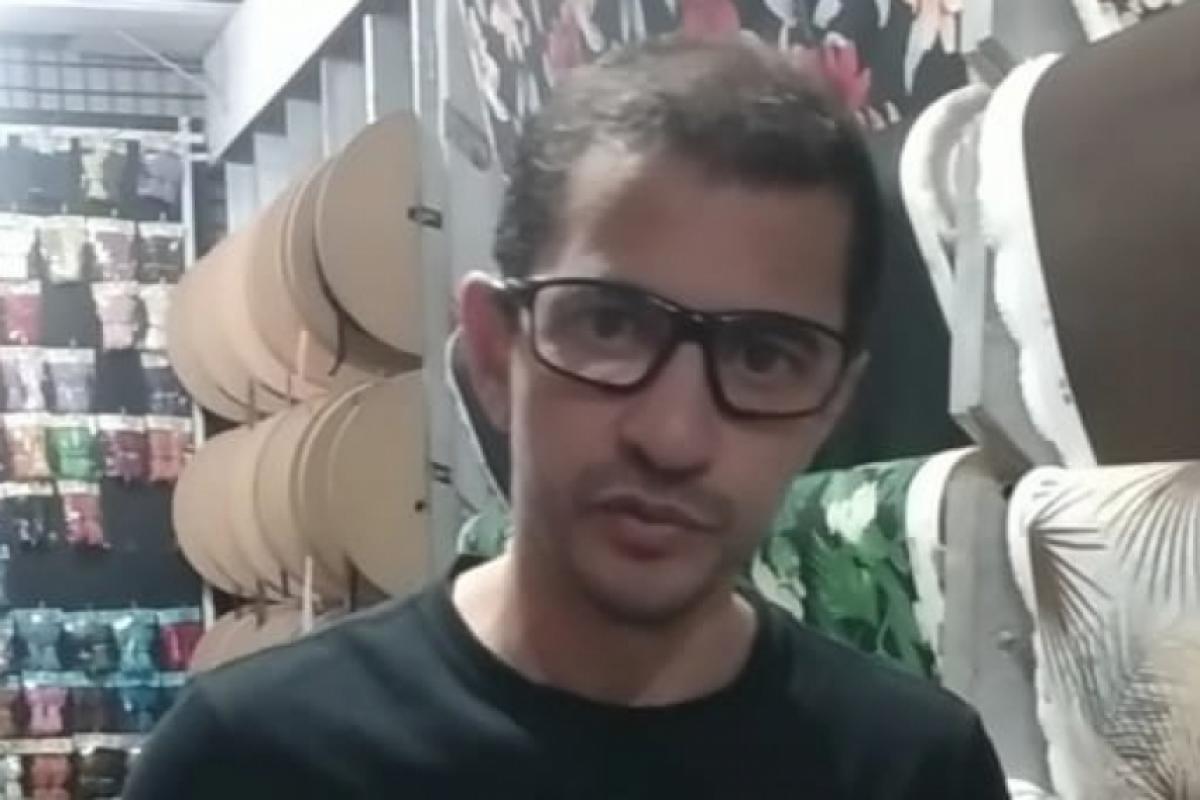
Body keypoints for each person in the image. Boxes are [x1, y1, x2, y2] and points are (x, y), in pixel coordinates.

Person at [126, 37, 1010, 799]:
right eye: (610, 326)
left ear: (830, 405)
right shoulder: (250, 763)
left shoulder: (914, 770)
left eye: (764, 356)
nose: (672, 437)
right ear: (492, 351)